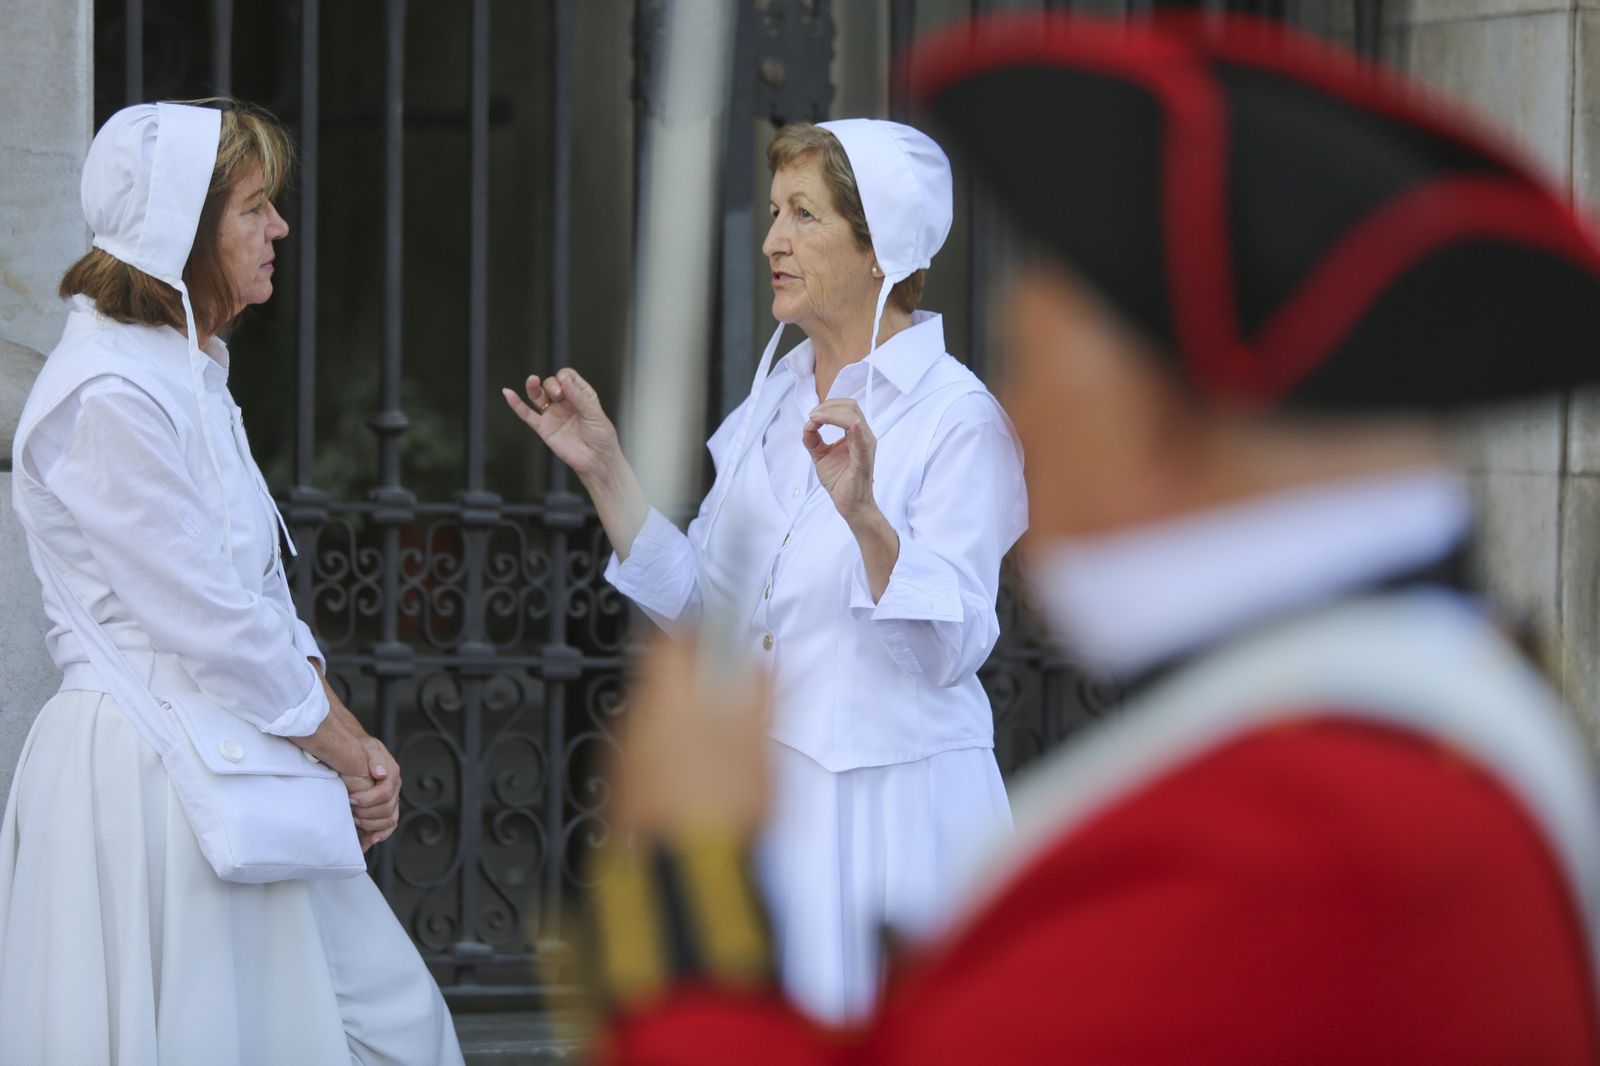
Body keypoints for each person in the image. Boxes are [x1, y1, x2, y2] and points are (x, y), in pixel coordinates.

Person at [569, 14, 1600, 1064]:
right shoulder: (1363, 746)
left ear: (1164, 414)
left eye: (1037, 358)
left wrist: (680, 882)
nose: (1021, 413)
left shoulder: (1309, 843)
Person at [504, 119, 1026, 1022]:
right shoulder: (775, 398)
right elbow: (713, 608)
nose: (772, 239)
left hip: (894, 813)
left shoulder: (958, 421)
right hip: (769, 810)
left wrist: (864, 516)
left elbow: (952, 646)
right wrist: (605, 470)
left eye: (804, 215)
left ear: (881, 252)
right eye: (775, 211)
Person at [0, 100, 463, 1065]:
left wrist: (347, 738)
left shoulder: (187, 372)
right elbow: (203, 616)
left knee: (395, 1026)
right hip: (143, 777)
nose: (278, 229)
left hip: (233, 749)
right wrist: (343, 746)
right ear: (184, 227)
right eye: (255, 208)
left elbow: (255, 601)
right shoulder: (108, 394)